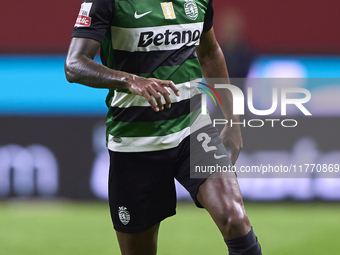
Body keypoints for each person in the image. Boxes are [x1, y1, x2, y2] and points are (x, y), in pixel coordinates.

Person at [65, 0, 262, 254]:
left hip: (193, 129)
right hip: (134, 141)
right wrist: (129, 80)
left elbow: (210, 52)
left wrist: (232, 121)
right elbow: (74, 64)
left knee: (234, 219)